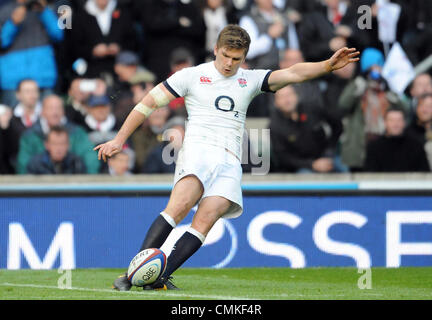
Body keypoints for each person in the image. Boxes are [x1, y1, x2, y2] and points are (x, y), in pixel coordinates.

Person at [94, 24, 359, 291]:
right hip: (198, 150)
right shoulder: (191, 76)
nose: (230, 64)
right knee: (180, 206)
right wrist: (119, 139)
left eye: (237, 58)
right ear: (215, 49)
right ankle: (130, 276)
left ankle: (159, 278)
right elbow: (147, 104)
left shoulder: (250, 79)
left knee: (206, 221)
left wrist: (326, 65)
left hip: (231, 160)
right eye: (226, 56)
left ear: (244, 57)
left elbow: (292, 73)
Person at [0, 0, 64, 107]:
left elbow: (58, 34)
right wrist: (13, 23)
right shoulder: (4, 11)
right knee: (14, 121)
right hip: (14, 83)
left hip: (43, 80)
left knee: (48, 117)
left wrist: (44, 11)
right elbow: (2, 42)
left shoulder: (45, 10)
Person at [269, 85, 346, 173]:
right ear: (276, 103)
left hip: (325, 156)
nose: (287, 100)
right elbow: (283, 158)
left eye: (289, 95)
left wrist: (330, 149)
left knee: (343, 168)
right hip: (301, 166)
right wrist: (311, 164)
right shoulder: (275, 126)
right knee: (305, 175)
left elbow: (337, 125)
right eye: (282, 97)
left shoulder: (312, 109)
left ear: (296, 96)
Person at [17, 94, 100, 174]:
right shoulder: (29, 136)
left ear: (63, 111)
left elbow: (90, 159)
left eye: (58, 108)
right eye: (50, 108)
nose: (55, 113)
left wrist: (88, 182)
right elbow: (23, 165)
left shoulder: (77, 133)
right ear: (42, 111)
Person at [364, 108, 430, 172]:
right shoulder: (374, 147)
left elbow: (424, 172)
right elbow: (370, 173)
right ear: (385, 123)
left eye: (399, 120)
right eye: (391, 120)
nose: (395, 124)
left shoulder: (416, 146)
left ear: (404, 123)